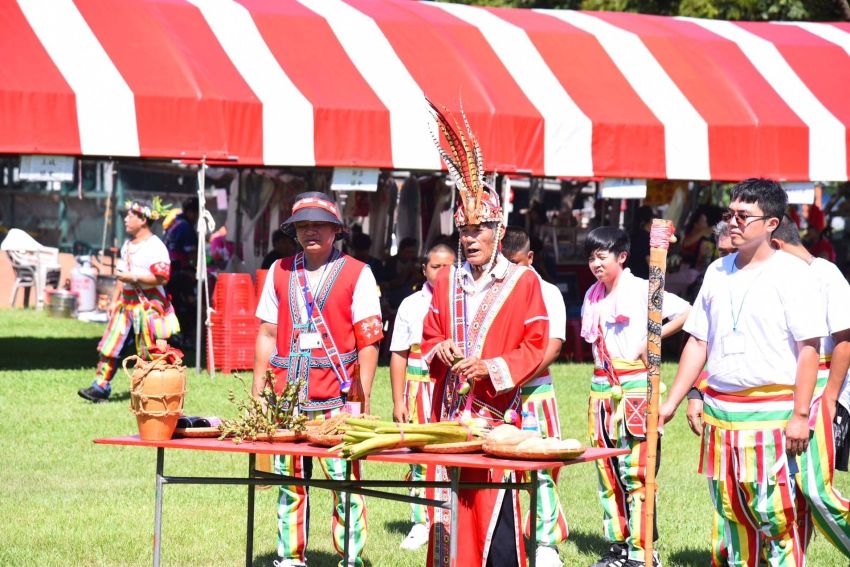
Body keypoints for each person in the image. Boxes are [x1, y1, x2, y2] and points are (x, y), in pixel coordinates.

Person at [660, 178, 827, 567]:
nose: (732, 223)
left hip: (772, 413)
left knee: (778, 515)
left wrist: (801, 416)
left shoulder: (794, 274)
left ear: (771, 224)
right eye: (729, 214)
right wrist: (673, 401)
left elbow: (809, 351)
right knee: (732, 515)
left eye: (742, 216)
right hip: (722, 415)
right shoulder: (718, 271)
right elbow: (698, 342)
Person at [422, 103, 548, 567]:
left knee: (496, 514)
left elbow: (536, 345)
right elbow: (428, 336)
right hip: (450, 416)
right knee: (449, 512)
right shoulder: (444, 280)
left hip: (499, 415)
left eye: (481, 230)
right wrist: (442, 348)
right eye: (465, 230)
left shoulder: (522, 281)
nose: (471, 238)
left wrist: (491, 367)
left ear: (499, 230)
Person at [254, 192, 383, 567]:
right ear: (294, 231)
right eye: (303, 225)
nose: (310, 231)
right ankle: (289, 557)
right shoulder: (279, 270)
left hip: (337, 398)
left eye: (318, 225)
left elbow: (369, 340)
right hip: (287, 396)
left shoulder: (358, 273)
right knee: (289, 483)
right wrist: (260, 390)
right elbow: (266, 332)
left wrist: (364, 398)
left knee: (345, 485)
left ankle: (351, 558)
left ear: (335, 230)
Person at [581, 226, 690, 567]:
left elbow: (687, 311)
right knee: (606, 469)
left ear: (621, 256)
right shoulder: (592, 295)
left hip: (635, 388)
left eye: (602, 257)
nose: (595, 264)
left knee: (638, 471)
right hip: (601, 390)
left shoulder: (644, 288)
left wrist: (651, 338)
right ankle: (618, 545)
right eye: (591, 258)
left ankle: (643, 551)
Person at [770, 216, 850, 558]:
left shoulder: (825, 274)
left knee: (817, 489)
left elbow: (845, 341)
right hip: (789, 390)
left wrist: (830, 398)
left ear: (776, 245)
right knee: (789, 492)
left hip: (823, 387)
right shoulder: (778, 276)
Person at [501, 226, 569, 567]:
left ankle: (545, 541)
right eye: (505, 263)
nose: (511, 270)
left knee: (542, 466)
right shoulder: (498, 290)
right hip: (499, 392)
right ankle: (506, 536)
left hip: (533, 389)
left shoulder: (547, 291)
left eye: (516, 263)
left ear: (530, 258)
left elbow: (552, 346)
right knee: (500, 466)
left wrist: (513, 374)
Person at [388, 243, 456, 551]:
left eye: (448, 267)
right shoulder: (411, 304)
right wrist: (398, 400)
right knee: (419, 456)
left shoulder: (462, 300)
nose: (442, 273)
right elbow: (399, 354)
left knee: (452, 452)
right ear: (424, 269)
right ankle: (420, 521)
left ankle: (452, 517)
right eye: (435, 267)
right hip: (419, 388)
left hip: (452, 387)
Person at [78, 198, 180, 402]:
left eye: (130, 215)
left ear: (143, 219)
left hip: (148, 306)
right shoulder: (127, 245)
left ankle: (155, 388)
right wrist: (115, 301)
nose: (126, 219)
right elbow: (120, 277)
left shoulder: (155, 246)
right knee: (110, 345)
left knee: (150, 350)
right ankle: (100, 387)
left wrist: (133, 277)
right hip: (125, 304)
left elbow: (162, 277)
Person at [163, 197, 199, 344]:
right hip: (177, 271)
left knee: (174, 303)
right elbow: (193, 255)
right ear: (191, 212)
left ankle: (175, 335)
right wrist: (197, 270)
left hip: (168, 271)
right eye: (197, 214)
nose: (197, 218)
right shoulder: (186, 227)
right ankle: (184, 336)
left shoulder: (175, 224)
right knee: (189, 303)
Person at [627, 206, 655, 279]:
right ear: (651, 220)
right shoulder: (646, 238)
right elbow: (651, 263)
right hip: (643, 280)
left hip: (632, 277)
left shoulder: (634, 236)